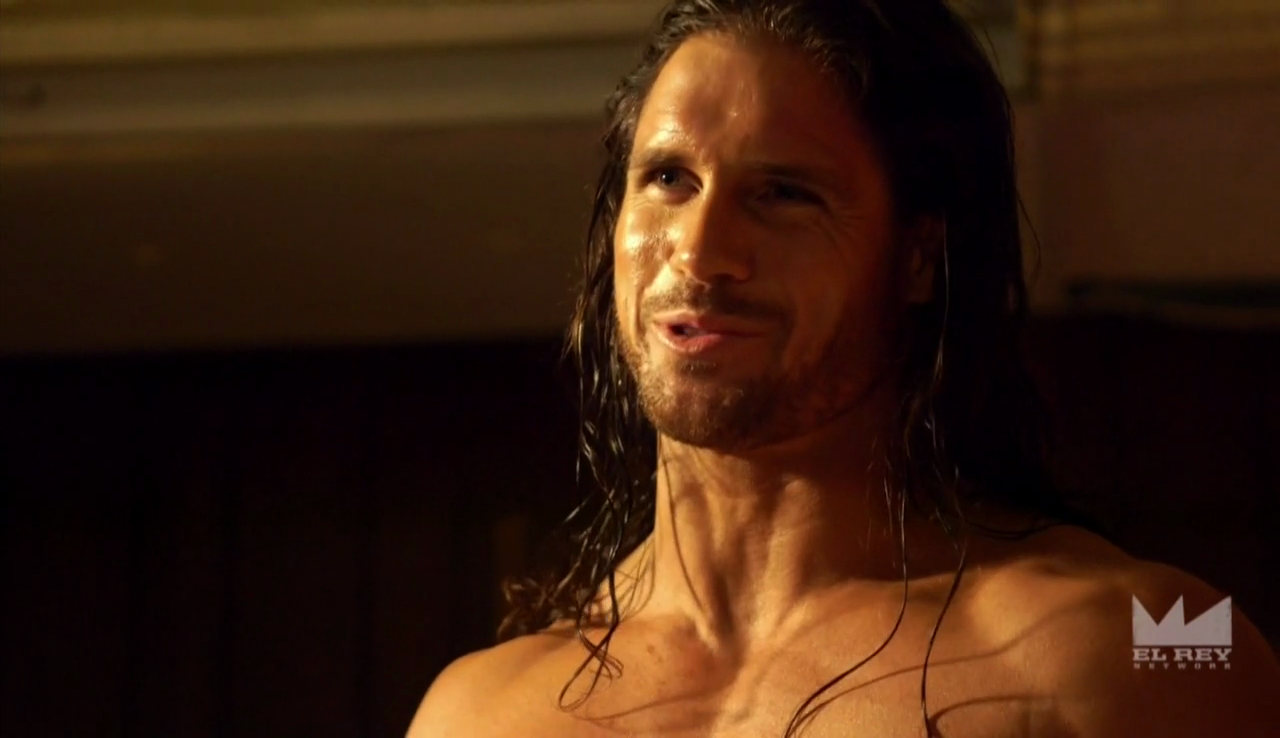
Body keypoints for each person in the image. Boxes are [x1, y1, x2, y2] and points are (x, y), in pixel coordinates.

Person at [408, 1, 1280, 735]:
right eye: (669, 178)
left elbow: (1221, 646)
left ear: (918, 257)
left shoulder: (1138, 643)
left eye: (784, 193)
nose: (701, 251)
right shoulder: (477, 713)